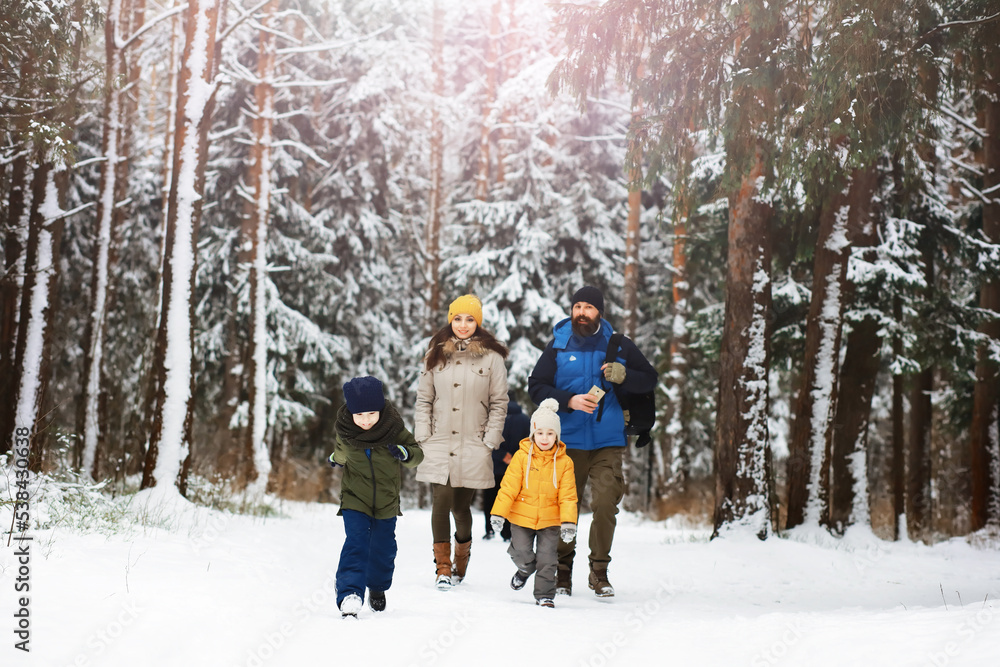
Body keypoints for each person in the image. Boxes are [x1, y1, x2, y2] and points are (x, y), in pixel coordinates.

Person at [528, 286, 657, 598]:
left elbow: (650, 379)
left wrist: (625, 375)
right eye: (577, 307)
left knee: (604, 504)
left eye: (588, 307)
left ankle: (599, 571)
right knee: (565, 507)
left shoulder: (618, 344)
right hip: (566, 442)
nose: (581, 312)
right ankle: (562, 572)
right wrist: (568, 400)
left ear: (600, 311)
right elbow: (536, 387)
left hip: (606, 441)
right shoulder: (558, 345)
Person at [414, 294, 509, 589]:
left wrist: (489, 440)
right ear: (450, 320)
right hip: (439, 441)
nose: (463, 325)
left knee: (460, 507)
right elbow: (424, 399)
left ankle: (461, 560)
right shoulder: (434, 354)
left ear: (477, 322)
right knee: (440, 501)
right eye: (458, 318)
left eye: (470, 319)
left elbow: (499, 402)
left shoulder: (492, 358)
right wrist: (423, 436)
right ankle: (443, 568)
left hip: (474, 444)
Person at [329, 376, 424, 617]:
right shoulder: (345, 431)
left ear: (380, 409)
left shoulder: (394, 428)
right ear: (350, 413)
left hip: (386, 500)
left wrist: (403, 452)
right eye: (359, 415)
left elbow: (417, 454)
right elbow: (341, 454)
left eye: (371, 413)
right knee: (356, 542)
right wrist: (334, 460)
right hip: (354, 498)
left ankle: (378, 588)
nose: (366, 420)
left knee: (383, 548)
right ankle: (349, 593)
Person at [490, 398, 578, 608]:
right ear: (532, 434)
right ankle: (524, 569)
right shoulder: (521, 457)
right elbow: (508, 488)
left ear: (557, 435)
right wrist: (498, 514)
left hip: (550, 519)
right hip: (521, 517)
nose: (545, 438)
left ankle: (545, 595)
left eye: (550, 433)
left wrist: (568, 522)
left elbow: (568, 495)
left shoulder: (565, 462)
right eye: (540, 433)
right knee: (521, 552)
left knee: (547, 560)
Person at [482, 392, 529, 541]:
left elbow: (486, 441)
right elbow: (529, 441)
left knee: (490, 498)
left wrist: (502, 455)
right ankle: (508, 532)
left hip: (493, 466)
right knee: (511, 498)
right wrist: (515, 456)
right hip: (515, 467)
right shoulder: (525, 420)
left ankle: (490, 529)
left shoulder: (493, 419)